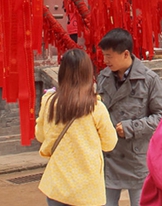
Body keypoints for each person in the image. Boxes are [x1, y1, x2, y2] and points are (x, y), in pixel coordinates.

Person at [35, 49, 118, 206]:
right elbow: (110, 143)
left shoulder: (49, 101)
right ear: (87, 73)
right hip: (88, 189)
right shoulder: (96, 107)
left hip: (58, 186)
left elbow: (40, 135)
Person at [96, 28, 162, 206]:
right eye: (104, 56)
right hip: (108, 158)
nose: (105, 61)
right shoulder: (103, 78)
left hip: (137, 160)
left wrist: (131, 128)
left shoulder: (149, 80)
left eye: (109, 56)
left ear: (126, 54)